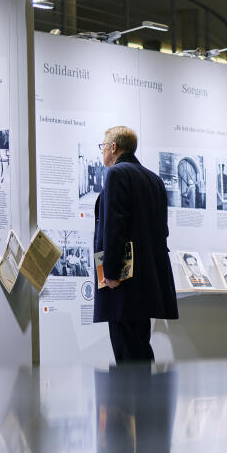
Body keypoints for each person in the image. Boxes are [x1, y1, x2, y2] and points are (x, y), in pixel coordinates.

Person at [94, 125, 179, 364]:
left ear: (114, 147)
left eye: (103, 146)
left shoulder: (116, 175)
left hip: (123, 282)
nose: (102, 153)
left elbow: (114, 228)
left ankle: (134, 400)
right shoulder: (154, 180)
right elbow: (162, 232)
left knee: (126, 350)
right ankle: (146, 399)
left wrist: (110, 273)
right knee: (140, 345)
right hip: (147, 281)